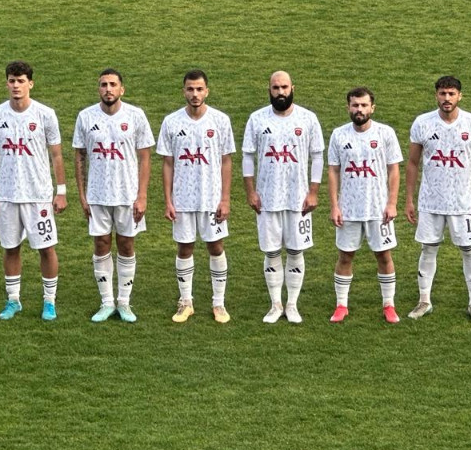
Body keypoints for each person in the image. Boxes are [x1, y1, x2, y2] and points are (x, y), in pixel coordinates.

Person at [404, 76, 471, 321]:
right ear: (436, 95)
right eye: (442, 94)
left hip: (464, 203)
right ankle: (424, 301)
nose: (447, 99)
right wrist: (409, 200)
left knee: (468, 249)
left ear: (459, 96)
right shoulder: (423, 123)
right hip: (431, 201)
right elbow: (412, 163)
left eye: (451, 94)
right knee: (428, 248)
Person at [0, 61, 68, 321]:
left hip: (38, 194)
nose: (16, 85)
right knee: (11, 248)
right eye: (12, 80)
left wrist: (61, 191)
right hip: (8, 194)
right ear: (7, 83)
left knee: (46, 248)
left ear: (30, 83)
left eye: (21, 81)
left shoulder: (45, 114)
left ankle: (49, 301)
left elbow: (56, 155)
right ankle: (13, 300)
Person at [73, 68, 154, 323]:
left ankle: (124, 303)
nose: (108, 89)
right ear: (98, 89)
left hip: (127, 195)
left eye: (112, 84)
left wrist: (142, 195)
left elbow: (145, 157)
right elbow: (79, 156)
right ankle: (106, 302)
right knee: (101, 244)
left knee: (127, 244)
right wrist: (82, 195)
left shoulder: (136, 115)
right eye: (103, 84)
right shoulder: (86, 117)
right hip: (97, 195)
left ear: (122, 89)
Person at [242, 71, 324, 324]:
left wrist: (313, 192)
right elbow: (247, 156)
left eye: (284, 87)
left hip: (298, 199)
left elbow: (318, 155)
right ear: (269, 89)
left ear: (292, 88)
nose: (280, 92)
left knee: (296, 250)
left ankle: (292, 304)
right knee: (271, 251)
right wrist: (251, 191)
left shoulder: (308, 119)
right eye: (276, 87)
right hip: (267, 198)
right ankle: (275, 304)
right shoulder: (257, 119)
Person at [157, 69, 236, 323]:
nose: (195, 94)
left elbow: (226, 161)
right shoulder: (171, 122)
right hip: (183, 199)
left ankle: (218, 303)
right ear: (184, 91)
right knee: (184, 247)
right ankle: (186, 302)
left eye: (199, 89)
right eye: (190, 89)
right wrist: (168, 200)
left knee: (216, 246)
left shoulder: (220, 120)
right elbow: (167, 163)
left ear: (207, 91)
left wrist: (225, 199)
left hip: (212, 199)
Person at [327, 87, 404, 323]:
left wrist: (392, 203)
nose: (359, 110)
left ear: (372, 108)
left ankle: (389, 305)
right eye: (354, 105)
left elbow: (394, 169)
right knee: (345, 256)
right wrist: (334, 206)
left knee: (383, 256)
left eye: (363, 105)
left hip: (378, 210)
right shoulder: (339, 135)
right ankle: (341, 305)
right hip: (349, 209)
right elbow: (333, 171)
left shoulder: (385, 134)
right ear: (348, 107)